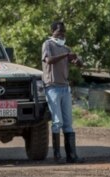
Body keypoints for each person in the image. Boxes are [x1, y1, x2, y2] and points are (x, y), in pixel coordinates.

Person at [41, 21, 83, 163]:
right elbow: (49, 60)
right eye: (59, 32)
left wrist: (77, 60)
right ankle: (57, 155)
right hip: (52, 87)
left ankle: (71, 155)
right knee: (57, 122)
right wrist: (65, 55)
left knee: (68, 122)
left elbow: (77, 63)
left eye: (63, 32)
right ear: (52, 31)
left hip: (65, 87)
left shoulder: (65, 47)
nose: (62, 35)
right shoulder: (48, 44)